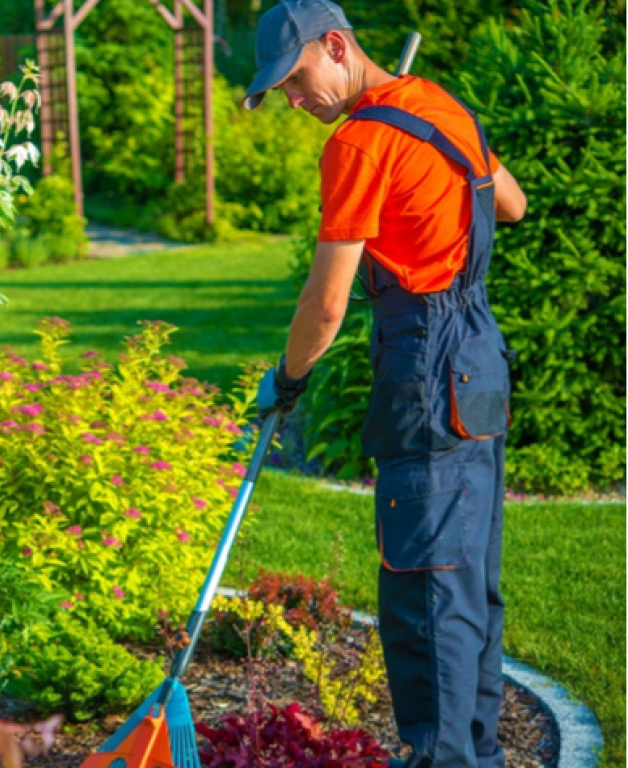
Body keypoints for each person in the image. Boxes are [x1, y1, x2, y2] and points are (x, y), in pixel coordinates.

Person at [245, 1, 527, 767]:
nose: (295, 103)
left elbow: (327, 301)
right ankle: (473, 756)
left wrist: (288, 378)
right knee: (467, 582)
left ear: (336, 45)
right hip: (479, 355)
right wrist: (420, 146)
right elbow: (511, 202)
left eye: (298, 81)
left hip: (424, 365)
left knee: (426, 593)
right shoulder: (436, 104)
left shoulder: (360, 143)